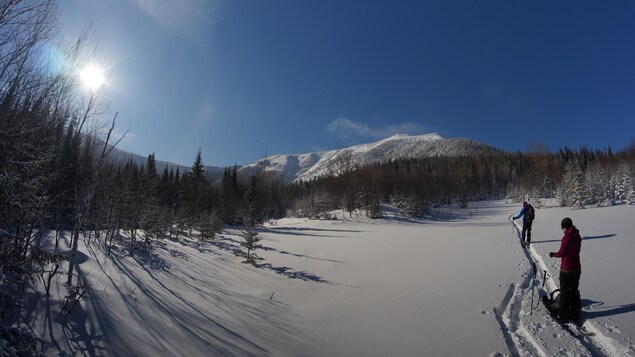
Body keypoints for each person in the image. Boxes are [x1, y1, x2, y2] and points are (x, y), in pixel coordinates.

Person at [549, 217, 582, 323]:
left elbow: (562, 253)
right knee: (574, 290)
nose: (562, 230)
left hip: (567, 269)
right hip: (577, 267)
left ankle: (562, 315)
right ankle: (575, 311)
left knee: (564, 292)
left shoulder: (567, 237)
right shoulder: (577, 235)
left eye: (562, 228)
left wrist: (553, 254)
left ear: (565, 227)